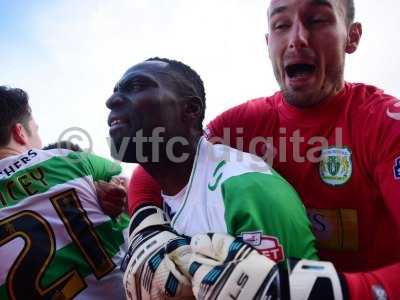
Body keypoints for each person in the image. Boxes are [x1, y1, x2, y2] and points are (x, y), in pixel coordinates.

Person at [128, 0, 400, 299]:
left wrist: (319, 291)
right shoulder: (245, 121)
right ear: (269, 43)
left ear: (352, 36)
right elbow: (160, 157)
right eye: (281, 25)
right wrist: (146, 227)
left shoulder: (385, 125)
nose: (297, 38)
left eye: (318, 20)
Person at [106, 57, 322, 299]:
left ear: (191, 110)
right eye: (115, 91)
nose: (111, 100)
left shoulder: (246, 190)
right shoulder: (160, 194)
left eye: (136, 87)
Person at [0, 86, 129, 299]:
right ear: (20, 133)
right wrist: (101, 186)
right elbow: (119, 174)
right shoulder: (67, 161)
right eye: (37, 130)